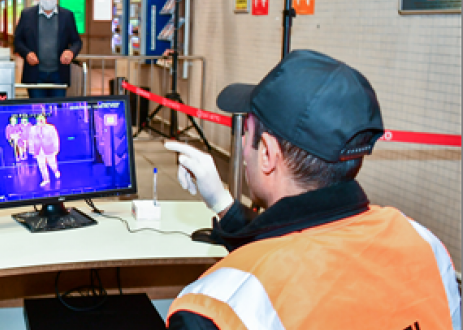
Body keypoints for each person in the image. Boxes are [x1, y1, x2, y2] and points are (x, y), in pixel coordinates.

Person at [164, 50, 460, 330]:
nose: (242, 142)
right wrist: (223, 204)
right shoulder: (426, 246)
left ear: (267, 153)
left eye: (246, 131)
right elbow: (305, 241)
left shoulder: (216, 308)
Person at [14, 0, 82, 99]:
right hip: (35, 75)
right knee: (37, 112)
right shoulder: (27, 14)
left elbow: (77, 41)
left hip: (59, 75)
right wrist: (27, 53)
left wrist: (71, 51)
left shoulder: (67, 16)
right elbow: (18, 40)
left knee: (57, 112)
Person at [29, 114, 60, 187]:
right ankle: (46, 179)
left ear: (45, 119)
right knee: (42, 166)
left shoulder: (51, 128)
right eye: (39, 118)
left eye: (42, 118)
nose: (40, 120)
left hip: (49, 149)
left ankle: (56, 171)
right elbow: (30, 140)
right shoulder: (32, 129)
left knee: (52, 164)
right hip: (38, 150)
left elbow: (55, 139)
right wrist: (32, 151)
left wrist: (56, 148)